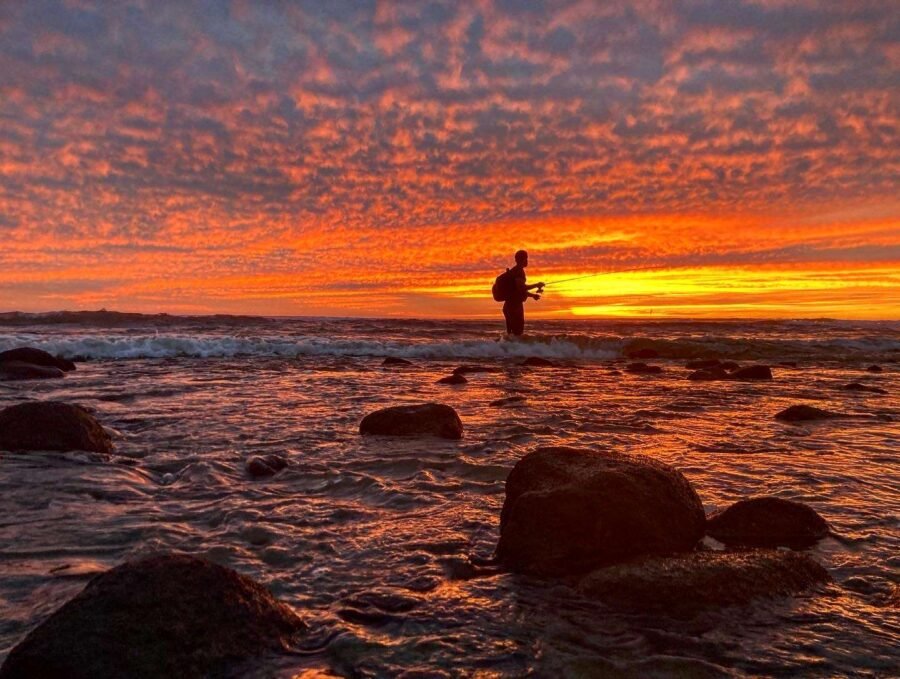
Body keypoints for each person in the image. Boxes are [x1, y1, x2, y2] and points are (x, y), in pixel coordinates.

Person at [502, 250, 543, 336]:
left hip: (508, 306)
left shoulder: (513, 271)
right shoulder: (519, 271)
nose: (527, 261)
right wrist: (536, 285)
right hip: (514, 307)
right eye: (526, 259)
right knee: (517, 334)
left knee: (511, 335)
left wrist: (532, 295)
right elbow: (521, 288)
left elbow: (518, 290)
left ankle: (508, 349)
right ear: (522, 259)